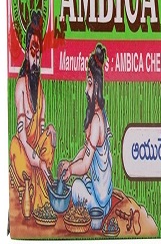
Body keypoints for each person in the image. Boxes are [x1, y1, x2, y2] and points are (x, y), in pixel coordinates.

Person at [59, 44, 113, 216]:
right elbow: (86, 150)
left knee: (76, 186)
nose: (85, 90)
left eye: (89, 83)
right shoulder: (98, 114)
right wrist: (70, 164)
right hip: (102, 193)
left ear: (97, 85)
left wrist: (71, 170)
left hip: (100, 202)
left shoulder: (97, 120)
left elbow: (85, 165)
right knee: (81, 178)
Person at [9, 11, 56, 211]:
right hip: (24, 153)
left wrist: (49, 133)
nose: (36, 58)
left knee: (51, 136)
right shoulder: (21, 86)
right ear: (27, 52)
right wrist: (39, 162)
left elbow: (41, 131)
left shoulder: (41, 92)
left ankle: (40, 177)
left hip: (37, 153)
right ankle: (36, 180)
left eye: (39, 54)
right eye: (32, 52)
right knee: (16, 149)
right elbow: (23, 138)